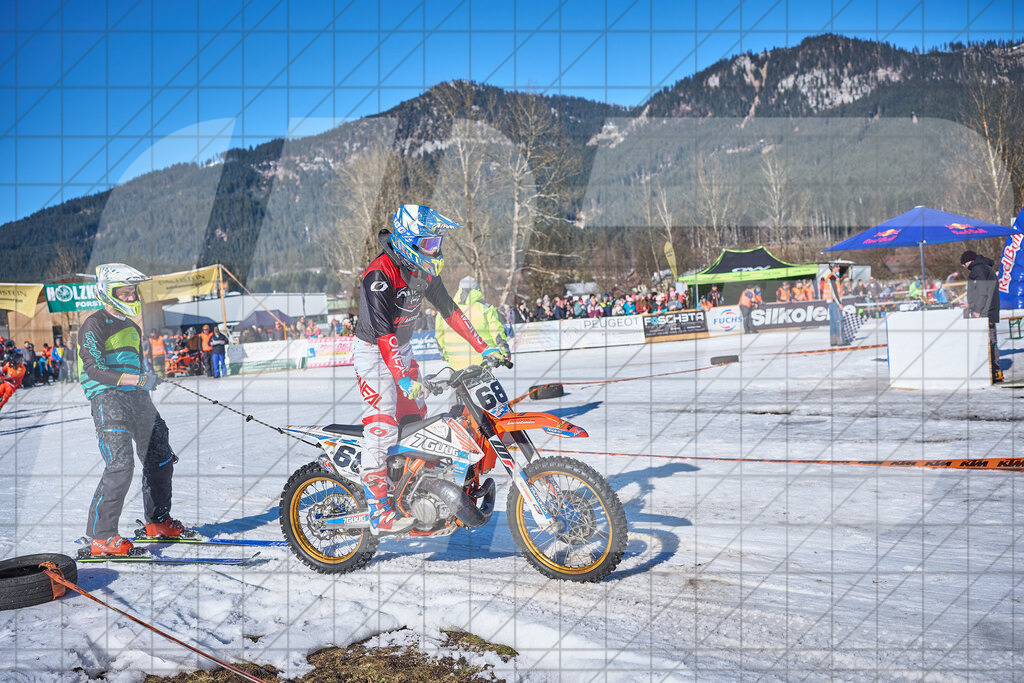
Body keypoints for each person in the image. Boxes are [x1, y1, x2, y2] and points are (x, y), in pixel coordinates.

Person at [353, 205, 507, 534]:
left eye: (438, 245)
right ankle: (378, 508)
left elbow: (450, 310)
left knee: (415, 422)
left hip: (400, 349)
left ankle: (410, 489)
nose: (436, 251)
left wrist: (484, 345)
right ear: (409, 241)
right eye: (430, 244)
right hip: (374, 353)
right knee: (382, 423)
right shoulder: (380, 274)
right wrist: (403, 378)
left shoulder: (422, 271)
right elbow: (383, 334)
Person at [79, 263, 184, 557]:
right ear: (107, 293)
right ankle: (101, 537)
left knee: (161, 458)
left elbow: (135, 365)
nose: (129, 298)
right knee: (121, 465)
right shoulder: (94, 324)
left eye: (131, 292)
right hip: (107, 397)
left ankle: (158, 522)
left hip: (137, 398)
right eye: (123, 293)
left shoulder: (131, 327)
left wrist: (146, 379)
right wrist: (136, 378)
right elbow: (94, 370)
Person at [435, 276, 510, 371]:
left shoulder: (444, 310)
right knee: (483, 386)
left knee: (458, 386)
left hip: (455, 363)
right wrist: (505, 352)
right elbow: (497, 333)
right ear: (476, 289)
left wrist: (445, 356)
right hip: (482, 361)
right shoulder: (485, 308)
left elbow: (439, 337)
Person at [961, 250, 1002, 382]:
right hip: (990, 310)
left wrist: (977, 310)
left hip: (984, 312)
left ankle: (990, 372)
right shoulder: (987, 268)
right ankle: (996, 372)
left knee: (986, 341)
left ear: (968, 261)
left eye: (964, 265)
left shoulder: (977, 270)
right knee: (992, 340)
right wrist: (970, 303)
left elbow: (982, 291)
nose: (965, 268)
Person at [823, 264, 845, 346]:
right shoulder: (832, 278)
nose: (839, 268)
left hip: (831, 302)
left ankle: (833, 341)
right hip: (834, 302)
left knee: (833, 322)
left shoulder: (831, 277)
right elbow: (834, 292)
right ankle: (840, 341)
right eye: (837, 267)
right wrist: (839, 303)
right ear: (833, 268)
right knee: (839, 321)